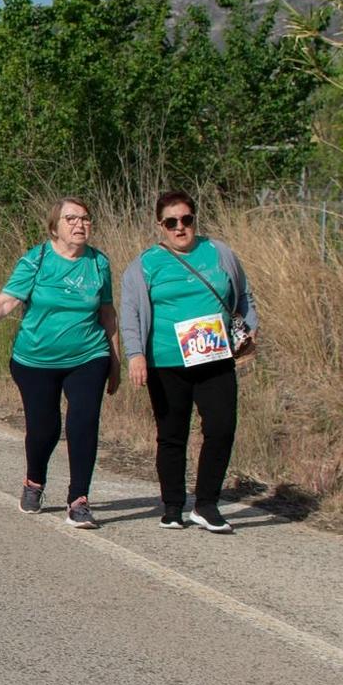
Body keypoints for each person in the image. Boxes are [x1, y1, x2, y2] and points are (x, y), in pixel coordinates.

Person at [0, 197, 121, 528]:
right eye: (71, 219)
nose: (80, 224)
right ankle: (34, 481)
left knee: (83, 422)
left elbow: (107, 313)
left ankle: (78, 500)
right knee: (45, 429)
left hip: (88, 355)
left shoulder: (98, 263)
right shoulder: (37, 259)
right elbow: (5, 302)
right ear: (54, 228)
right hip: (35, 359)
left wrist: (116, 361)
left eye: (85, 218)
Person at [119, 189, 259, 534]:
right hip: (166, 359)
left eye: (186, 220)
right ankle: (172, 506)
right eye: (172, 222)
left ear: (194, 220)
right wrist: (135, 355)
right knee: (171, 434)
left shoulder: (219, 253)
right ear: (160, 225)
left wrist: (249, 330)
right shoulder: (145, 264)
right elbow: (131, 313)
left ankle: (207, 504)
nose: (180, 228)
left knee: (221, 428)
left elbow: (243, 295)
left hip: (214, 356)